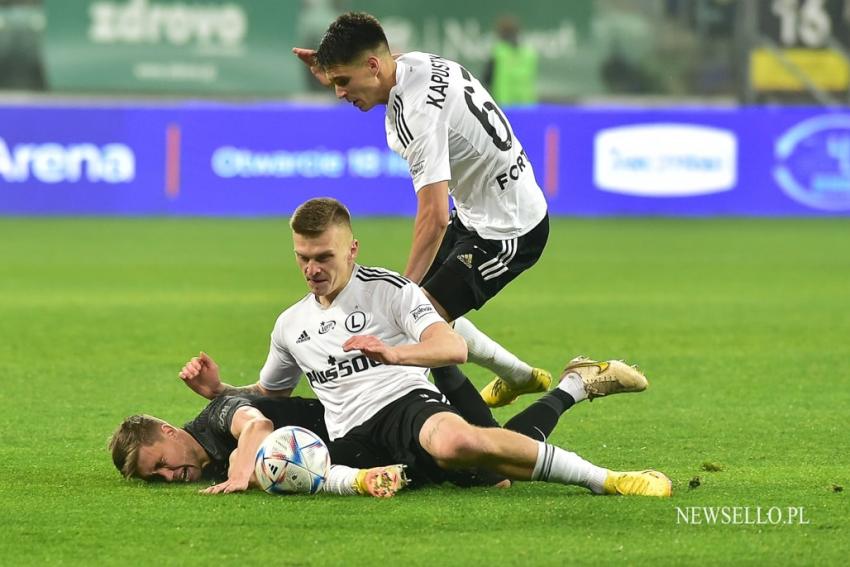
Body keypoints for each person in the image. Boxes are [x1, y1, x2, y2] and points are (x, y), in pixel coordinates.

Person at [180, 198, 671, 497]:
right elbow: (271, 392)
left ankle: (607, 478)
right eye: (302, 258)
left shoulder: (389, 290)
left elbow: (451, 346)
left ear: (351, 249)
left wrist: (396, 354)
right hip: (351, 441)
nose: (312, 269)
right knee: (493, 474)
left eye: (323, 256)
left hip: (405, 406)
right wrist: (218, 389)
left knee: (462, 445)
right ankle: (573, 384)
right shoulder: (290, 324)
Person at [293, 12, 551, 407]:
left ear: (373, 66)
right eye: (334, 82)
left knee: (418, 325)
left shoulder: (417, 115)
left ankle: (462, 441)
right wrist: (333, 66)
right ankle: (517, 376)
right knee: (428, 317)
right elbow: (378, 54)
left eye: (343, 82)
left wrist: (403, 295)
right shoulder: (413, 63)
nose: (339, 93)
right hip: (477, 214)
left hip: (509, 231)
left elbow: (433, 218)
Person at [108, 394, 408, 498]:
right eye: (157, 478)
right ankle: (362, 480)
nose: (169, 476)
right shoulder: (206, 468)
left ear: (168, 432)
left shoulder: (217, 415)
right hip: (353, 454)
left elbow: (256, 425)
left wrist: (241, 472)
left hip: (361, 426)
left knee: (251, 456)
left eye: (161, 463)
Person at [481, 15, 539, 106]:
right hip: (527, 109)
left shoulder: (497, 53)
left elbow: (486, 81)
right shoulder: (529, 54)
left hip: (503, 108)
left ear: (500, 33)